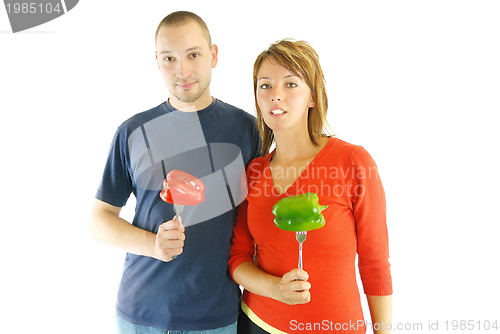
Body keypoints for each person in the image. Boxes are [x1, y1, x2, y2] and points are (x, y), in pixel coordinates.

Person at [89, 11, 260, 333]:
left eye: (193, 55)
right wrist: (152, 245)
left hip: (217, 315)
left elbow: (260, 218)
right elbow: (99, 219)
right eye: (169, 58)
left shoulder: (248, 130)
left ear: (213, 55)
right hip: (141, 313)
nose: (181, 71)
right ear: (157, 61)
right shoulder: (133, 131)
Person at [228, 39, 393, 333]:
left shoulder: (353, 162)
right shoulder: (252, 173)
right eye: (265, 86)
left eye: (290, 84)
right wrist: (276, 288)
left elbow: (374, 262)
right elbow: (238, 259)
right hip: (256, 324)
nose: (275, 95)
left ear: (313, 97)